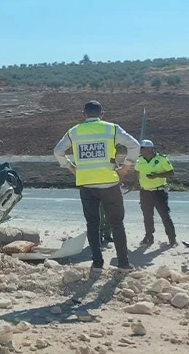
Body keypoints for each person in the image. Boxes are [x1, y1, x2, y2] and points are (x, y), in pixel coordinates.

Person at [54, 100, 140, 270]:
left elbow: (58, 151)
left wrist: (70, 167)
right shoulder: (111, 128)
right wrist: (126, 167)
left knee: (92, 224)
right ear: (102, 114)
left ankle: (97, 263)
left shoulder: (74, 131)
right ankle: (123, 263)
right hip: (109, 182)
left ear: (83, 115)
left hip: (87, 184)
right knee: (117, 223)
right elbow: (135, 145)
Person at [132, 139, 177, 246]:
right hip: (145, 192)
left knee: (164, 215)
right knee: (147, 216)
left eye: (143, 148)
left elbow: (171, 172)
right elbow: (137, 171)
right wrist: (137, 182)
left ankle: (172, 238)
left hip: (159, 191)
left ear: (150, 149)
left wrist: (157, 175)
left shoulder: (161, 159)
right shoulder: (139, 160)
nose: (141, 151)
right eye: (140, 149)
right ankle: (149, 236)